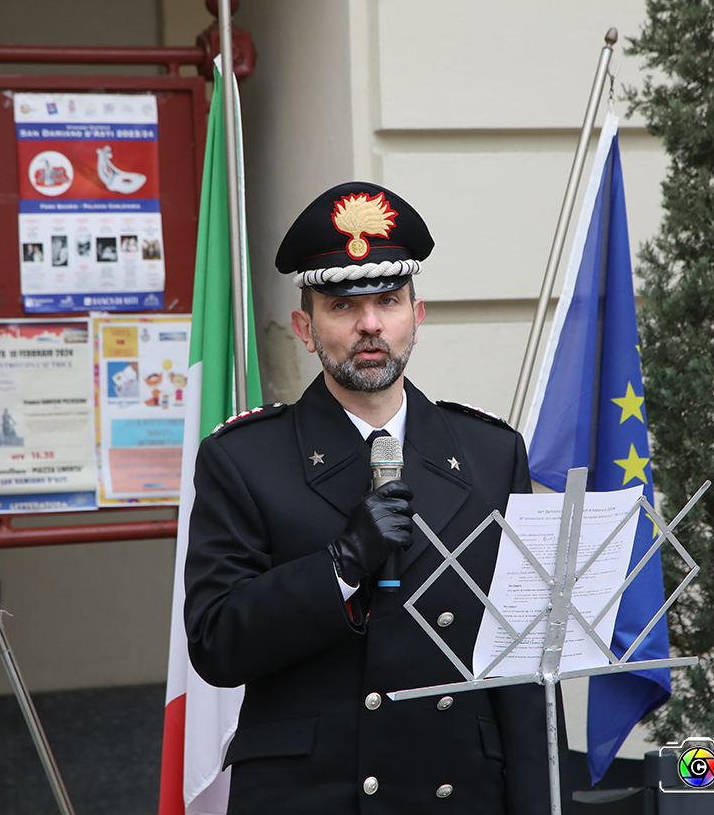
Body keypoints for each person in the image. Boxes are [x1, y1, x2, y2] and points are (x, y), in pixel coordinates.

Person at [184, 182, 550, 814]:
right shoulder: (243, 460)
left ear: (418, 314)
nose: (370, 324)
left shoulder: (491, 453)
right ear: (305, 327)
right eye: (342, 306)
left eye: (388, 300)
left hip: (458, 791)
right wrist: (341, 566)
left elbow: (521, 668)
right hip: (314, 795)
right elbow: (216, 643)